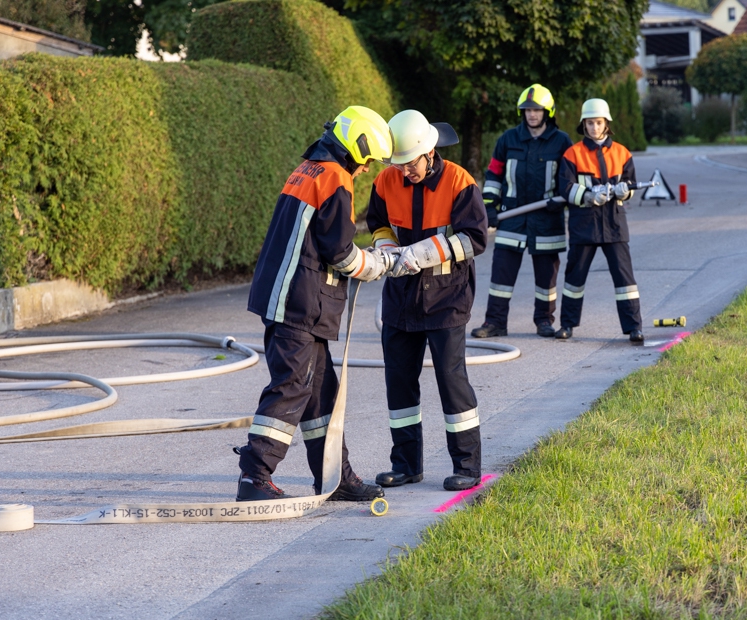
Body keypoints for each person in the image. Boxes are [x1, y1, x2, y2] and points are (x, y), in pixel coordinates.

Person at [236, 106, 391, 502]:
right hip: (300, 304)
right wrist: (375, 265)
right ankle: (255, 476)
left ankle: (334, 477)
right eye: (368, 160)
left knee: (321, 394)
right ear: (356, 147)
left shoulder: (310, 169)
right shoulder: (336, 178)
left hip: (293, 300)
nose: (367, 169)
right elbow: (339, 252)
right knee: (292, 387)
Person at [367, 109, 490, 492]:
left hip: (446, 298)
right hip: (401, 299)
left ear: (429, 152)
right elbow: (378, 223)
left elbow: (475, 239)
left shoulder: (458, 181)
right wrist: (387, 248)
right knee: (399, 383)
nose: (405, 172)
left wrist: (423, 253)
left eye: (411, 164)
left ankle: (467, 467)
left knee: (451, 382)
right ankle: (405, 465)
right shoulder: (386, 180)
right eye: (398, 164)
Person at [471, 84, 573, 339]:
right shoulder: (508, 140)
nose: (532, 114)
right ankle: (495, 322)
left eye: (537, 110)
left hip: (547, 217)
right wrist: (489, 206)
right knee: (501, 275)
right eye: (527, 110)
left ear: (547, 112)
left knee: (546, 278)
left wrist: (561, 200)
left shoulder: (562, 142)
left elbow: (569, 178)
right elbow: (493, 175)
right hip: (512, 217)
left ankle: (544, 321)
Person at [555, 98, 644, 344]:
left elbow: (630, 185)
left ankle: (634, 327)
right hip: (584, 225)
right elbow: (565, 188)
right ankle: (567, 325)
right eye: (590, 123)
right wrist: (588, 196)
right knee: (574, 278)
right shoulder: (573, 154)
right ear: (583, 125)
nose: (594, 127)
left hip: (615, 225)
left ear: (606, 124)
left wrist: (624, 191)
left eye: (598, 122)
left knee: (625, 280)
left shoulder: (622, 153)